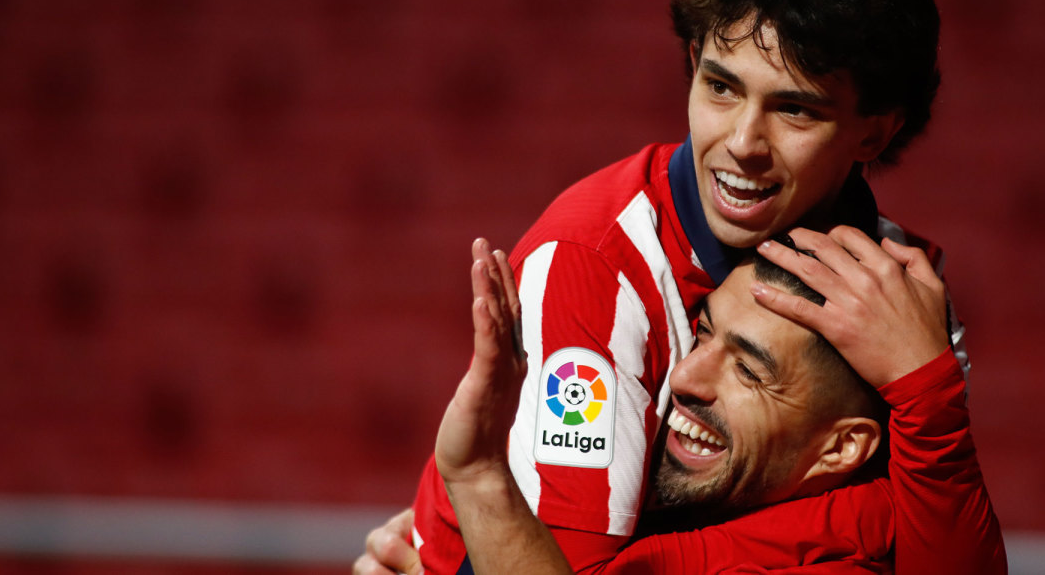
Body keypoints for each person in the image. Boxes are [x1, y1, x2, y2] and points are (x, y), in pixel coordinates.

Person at [359, 0, 1002, 573]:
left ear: (874, 131)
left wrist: (929, 394)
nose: (742, 144)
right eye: (721, 87)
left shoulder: (901, 291)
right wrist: (866, 526)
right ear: (694, 62)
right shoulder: (597, 268)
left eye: (794, 108)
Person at [356, 235, 1002, 573]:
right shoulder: (661, 510)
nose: (687, 375)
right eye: (702, 331)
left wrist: (480, 479)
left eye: (750, 369)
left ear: (842, 446)